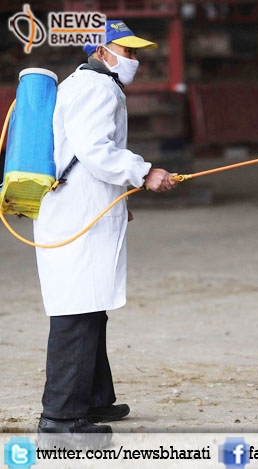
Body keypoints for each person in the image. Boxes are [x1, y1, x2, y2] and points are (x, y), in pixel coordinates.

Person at [33, 20, 179, 447]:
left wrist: (118, 200)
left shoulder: (89, 84)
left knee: (91, 307)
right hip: (77, 217)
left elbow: (82, 154)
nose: (134, 59)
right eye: (127, 51)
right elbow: (96, 151)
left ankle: (94, 400)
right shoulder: (96, 88)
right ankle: (60, 418)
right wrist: (143, 173)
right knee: (77, 314)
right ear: (100, 51)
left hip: (84, 209)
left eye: (135, 52)